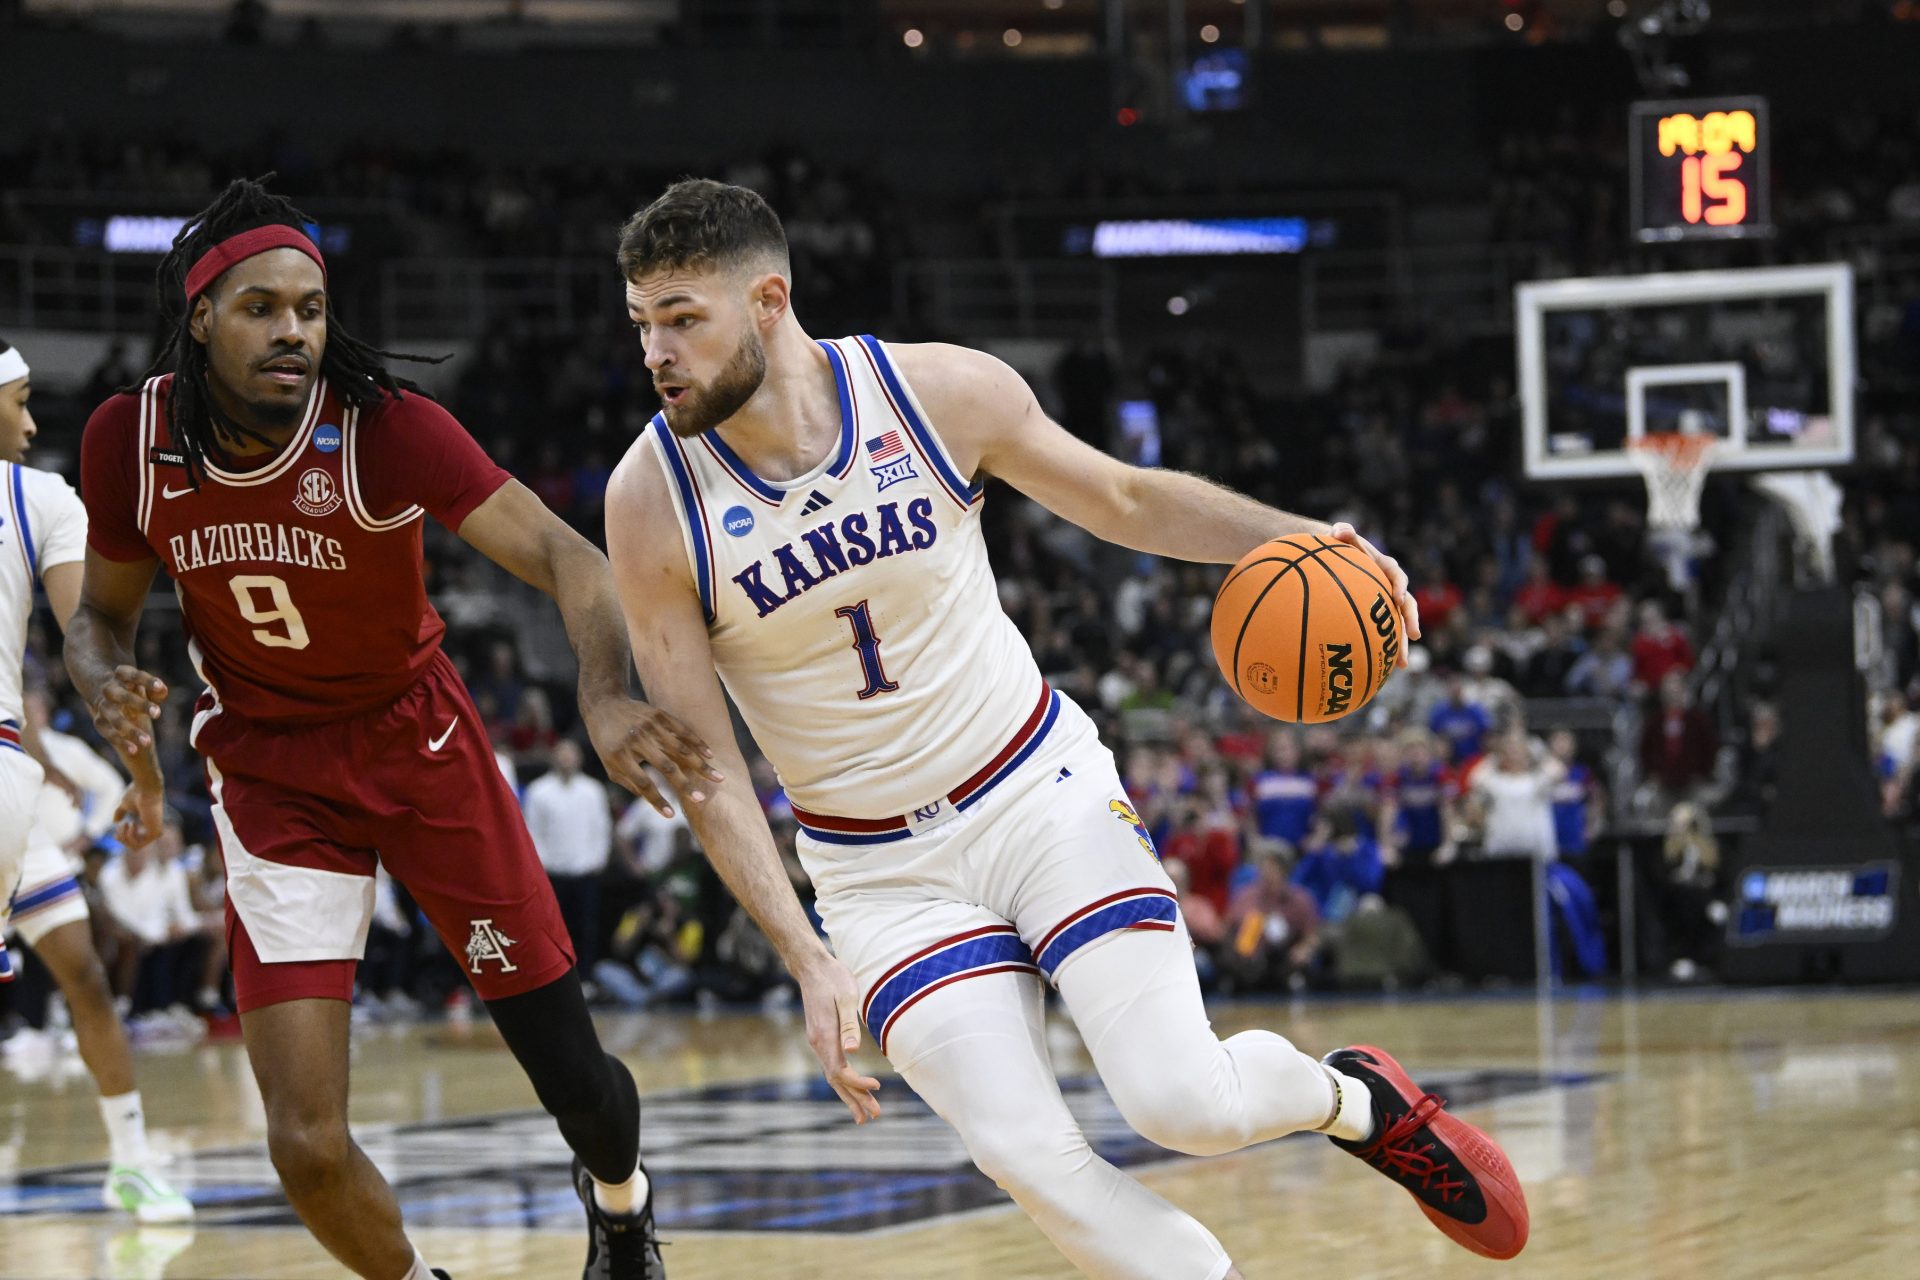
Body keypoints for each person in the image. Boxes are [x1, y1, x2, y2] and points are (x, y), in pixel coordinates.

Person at [603, 178, 1528, 1277]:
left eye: (682, 319)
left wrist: (1314, 542)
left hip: (1034, 788)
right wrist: (804, 953)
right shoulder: (649, 499)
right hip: (878, 874)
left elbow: (1127, 501)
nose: (657, 352)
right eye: (642, 323)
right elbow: (708, 767)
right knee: (1034, 1161)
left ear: (767, 300)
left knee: (1184, 1101)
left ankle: (1353, 1096)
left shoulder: (937, 391)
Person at [62, 179, 720, 1280]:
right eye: (264, 308)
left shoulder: (383, 429)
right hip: (270, 773)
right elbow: (100, 617)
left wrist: (603, 694)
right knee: (304, 1145)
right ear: (200, 318)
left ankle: (620, 1203)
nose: (294, 332)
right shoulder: (127, 440)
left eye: (311, 310)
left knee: (577, 1083)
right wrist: (99, 674)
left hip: (418, 746)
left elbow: (572, 557)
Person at [0, 338, 193, 1221]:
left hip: (14, 777)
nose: (34, 422)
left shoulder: (36, 496)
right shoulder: (41, 493)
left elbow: (88, 653)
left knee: (81, 972)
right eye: (20, 401)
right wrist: (141, 771)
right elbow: (99, 651)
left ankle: (130, 1157)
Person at [524, 738, 614, 970]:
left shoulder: (593, 790)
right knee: (552, 927)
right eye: (561, 754)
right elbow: (533, 831)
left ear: (579, 759)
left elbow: (601, 828)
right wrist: (541, 865)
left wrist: (598, 859)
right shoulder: (539, 791)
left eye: (570, 754)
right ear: (554, 758)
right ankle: (555, 973)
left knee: (586, 927)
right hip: (552, 872)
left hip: (585, 871)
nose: (566, 759)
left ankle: (586, 976)